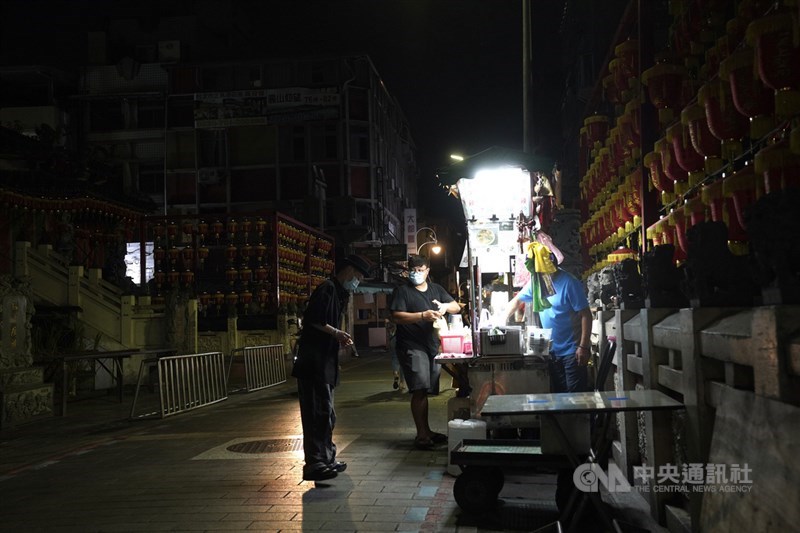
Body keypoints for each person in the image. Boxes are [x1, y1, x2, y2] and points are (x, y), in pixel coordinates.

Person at [291, 254, 372, 481]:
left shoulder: (339, 293)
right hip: (313, 363)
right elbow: (313, 320)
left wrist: (339, 336)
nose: (357, 281)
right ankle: (315, 463)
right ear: (347, 271)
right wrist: (337, 333)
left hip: (325, 362)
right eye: (357, 276)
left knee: (327, 414)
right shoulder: (327, 288)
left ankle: (327, 457)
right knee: (317, 413)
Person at [390, 254, 461, 450]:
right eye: (413, 270)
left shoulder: (436, 289)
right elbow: (396, 316)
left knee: (427, 390)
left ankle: (426, 431)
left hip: (432, 346)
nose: (416, 274)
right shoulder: (402, 291)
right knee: (419, 389)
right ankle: (422, 435)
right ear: (408, 271)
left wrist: (446, 306)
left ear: (427, 271)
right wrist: (422, 315)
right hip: (411, 346)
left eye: (420, 270)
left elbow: (456, 307)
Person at [500, 247, 592, 393]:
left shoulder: (569, 283)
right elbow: (516, 301)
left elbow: (586, 315)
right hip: (553, 352)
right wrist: (500, 320)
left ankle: (579, 417)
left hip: (573, 352)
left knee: (576, 400)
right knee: (560, 399)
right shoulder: (537, 284)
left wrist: (583, 347)